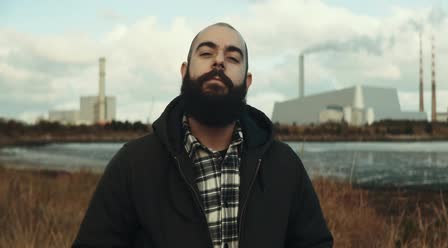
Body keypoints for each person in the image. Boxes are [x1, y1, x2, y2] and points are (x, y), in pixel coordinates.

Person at [73, 22, 333, 248]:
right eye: (207, 52)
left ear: (248, 81)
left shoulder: (283, 165)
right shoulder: (134, 164)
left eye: (232, 58)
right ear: (184, 71)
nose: (218, 61)